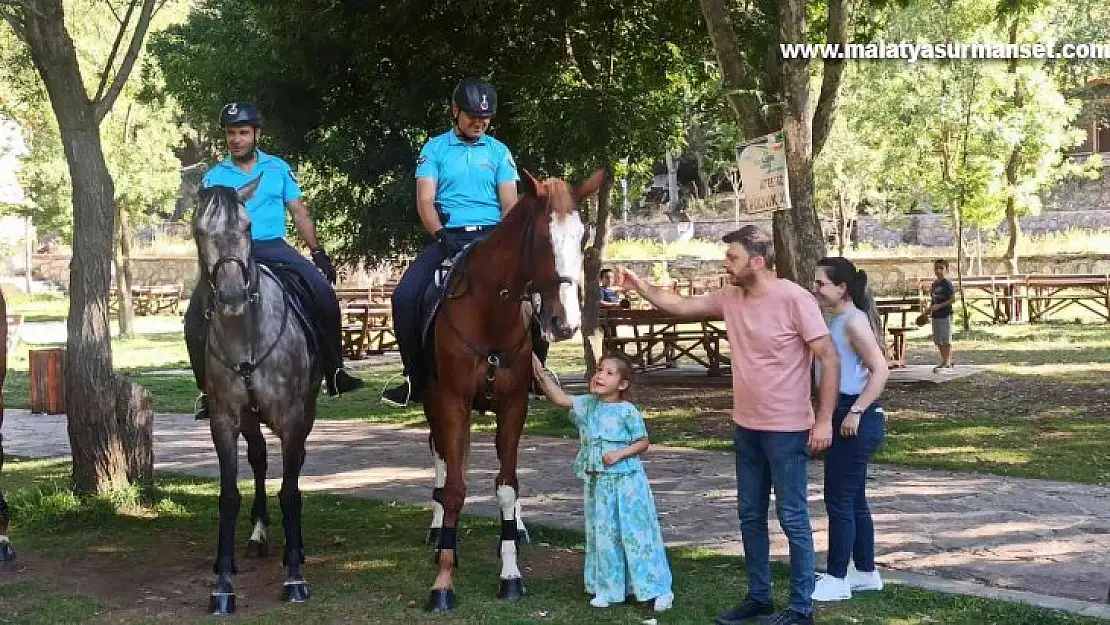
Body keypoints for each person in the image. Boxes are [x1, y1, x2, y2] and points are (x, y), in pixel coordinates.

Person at [614, 225, 839, 625]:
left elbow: (828, 357)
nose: (725, 264)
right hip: (746, 427)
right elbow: (680, 306)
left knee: (792, 518)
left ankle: (801, 607)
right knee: (750, 515)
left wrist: (824, 420)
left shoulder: (794, 299)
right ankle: (759, 598)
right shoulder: (730, 298)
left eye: (732, 258)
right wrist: (640, 285)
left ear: (757, 261)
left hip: (787, 429)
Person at [185, 102, 364, 420]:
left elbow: (298, 212)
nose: (237, 139)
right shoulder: (213, 178)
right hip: (229, 256)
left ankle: (335, 370)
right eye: (231, 134)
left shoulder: (278, 168)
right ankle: (206, 391)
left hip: (271, 246)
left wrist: (317, 251)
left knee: (321, 291)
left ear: (256, 134)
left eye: (243, 132)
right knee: (193, 318)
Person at [381, 78, 548, 407]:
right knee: (404, 296)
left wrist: (508, 246)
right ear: (455, 111)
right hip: (449, 236)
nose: (479, 123)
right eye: (472, 116)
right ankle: (413, 379)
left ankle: (537, 373)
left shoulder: (499, 152)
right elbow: (425, 201)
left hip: (493, 236)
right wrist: (441, 237)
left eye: (485, 119)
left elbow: (510, 205)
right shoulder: (434, 149)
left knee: (539, 295)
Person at [531, 352, 674, 613]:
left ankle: (657, 589)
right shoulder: (588, 404)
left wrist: (619, 454)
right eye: (599, 370)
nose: (600, 376)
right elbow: (560, 398)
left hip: (627, 483)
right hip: (600, 485)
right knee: (605, 535)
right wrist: (540, 372)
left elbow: (643, 442)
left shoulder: (627, 411)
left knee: (636, 534)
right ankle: (610, 589)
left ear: (622, 384)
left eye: (609, 373)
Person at [809, 257, 889, 602]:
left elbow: (881, 370)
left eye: (821, 283)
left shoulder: (853, 322)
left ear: (841, 287)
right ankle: (866, 572)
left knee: (839, 499)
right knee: (853, 499)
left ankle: (838, 577)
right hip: (843, 411)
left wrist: (856, 411)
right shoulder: (839, 319)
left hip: (853, 414)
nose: (816, 288)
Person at [927, 259, 956, 373]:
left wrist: (939, 306)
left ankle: (948, 362)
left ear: (946, 270)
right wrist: (928, 311)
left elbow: (952, 299)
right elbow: (933, 300)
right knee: (938, 340)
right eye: (936, 268)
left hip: (945, 314)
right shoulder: (934, 284)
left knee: (945, 339)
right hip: (935, 315)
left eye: (941, 268)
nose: (938, 271)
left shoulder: (947, 284)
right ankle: (944, 361)